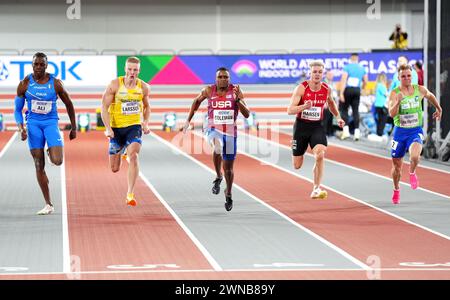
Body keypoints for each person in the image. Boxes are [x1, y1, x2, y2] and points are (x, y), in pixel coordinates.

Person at [14, 52, 77, 215]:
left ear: (47, 65)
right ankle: (48, 204)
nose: (39, 67)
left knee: (57, 161)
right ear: (32, 65)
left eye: (42, 64)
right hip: (33, 124)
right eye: (36, 64)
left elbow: (69, 104)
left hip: (50, 123)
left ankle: (51, 151)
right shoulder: (24, 84)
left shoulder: (56, 83)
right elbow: (17, 110)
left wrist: (74, 127)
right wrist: (21, 128)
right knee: (38, 164)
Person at [182, 67, 250, 211]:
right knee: (217, 146)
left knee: (229, 169)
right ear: (216, 78)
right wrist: (188, 120)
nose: (223, 79)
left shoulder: (236, 91)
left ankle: (229, 193)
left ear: (229, 79)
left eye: (226, 77)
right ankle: (218, 176)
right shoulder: (208, 90)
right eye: (220, 77)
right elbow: (196, 102)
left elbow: (247, 114)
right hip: (213, 129)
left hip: (230, 133)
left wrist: (237, 100)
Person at [287, 61, 345, 199]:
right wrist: (303, 107)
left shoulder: (326, 89)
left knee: (320, 155)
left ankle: (316, 188)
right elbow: (289, 110)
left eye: (320, 72)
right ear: (310, 73)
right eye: (314, 72)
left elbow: (331, 104)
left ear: (323, 73)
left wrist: (338, 117)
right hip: (301, 127)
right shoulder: (301, 88)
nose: (317, 74)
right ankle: (294, 145)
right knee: (297, 165)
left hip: (316, 127)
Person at [388, 64, 442, 204]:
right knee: (397, 168)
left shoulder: (420, 89)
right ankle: (396, 189)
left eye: (409, 76)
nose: (406, 78)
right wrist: (398, 102)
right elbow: (391, 114)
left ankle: (412, 173)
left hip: (415, 131)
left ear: (412, 76)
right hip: (399, 133)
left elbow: (430, 95)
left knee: (415, 156)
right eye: (403, 76)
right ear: (399, 77)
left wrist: (438, 107)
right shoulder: (395, 93)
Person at [101, 56, 151, 206]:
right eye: (129, 69)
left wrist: (146, 123)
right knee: (114, 169)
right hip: (116, 129)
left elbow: (147, 106)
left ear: (139, 71)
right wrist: (108, 128)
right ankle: (122, 151)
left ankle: (130, 193)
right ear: (125, 69)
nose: (132, 72)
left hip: (134, 126)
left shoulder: (144, 87)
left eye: (135, 70)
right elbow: (104, 107)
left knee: (134, 156)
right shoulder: (115, 85)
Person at [339, 53, 368, 141]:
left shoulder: (347, 67)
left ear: (351, 58)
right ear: (358, 59)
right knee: (355, 111)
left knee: (344, 110)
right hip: (357, 90)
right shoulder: (362, 68)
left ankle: (346, 131)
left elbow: (343, 80)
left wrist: (341, 93)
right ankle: (357, 133)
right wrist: (361, 89)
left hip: (348, 90)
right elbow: (366, 81)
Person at [322, 70, 339, 136]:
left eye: (332, 75)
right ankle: (324, 132)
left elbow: (335, 94)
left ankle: (329, 132)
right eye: (330, 75)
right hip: (326, 102)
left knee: (331, 118)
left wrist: (337, 103)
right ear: (326, 75)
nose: (331, 76)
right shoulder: (323, 83)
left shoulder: (333, 83)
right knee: (325, 118)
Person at [373, 73, 389, 137]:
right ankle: (380, 133)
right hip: (382, 105)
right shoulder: (381, 86)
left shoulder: (377, 86)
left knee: (379, 120)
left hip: (377, 105)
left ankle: (378, 133)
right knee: (383, 120)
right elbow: (386, 94)